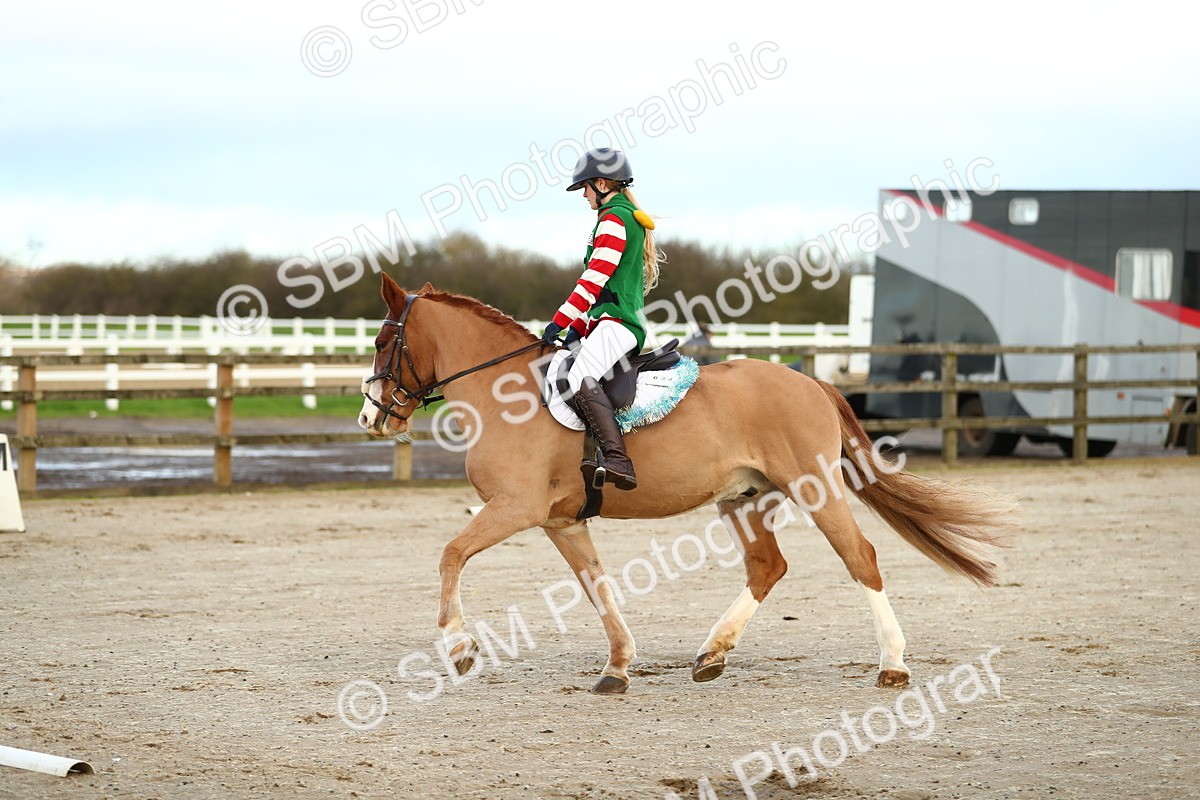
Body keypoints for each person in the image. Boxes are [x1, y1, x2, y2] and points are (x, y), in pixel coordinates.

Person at [541, 148, 665, 490]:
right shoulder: (621, 216)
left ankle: (618, 460)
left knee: (580, 378)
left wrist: (560, 320)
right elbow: (603, 292)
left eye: (584, 188)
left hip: (619, 325)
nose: (583, 195)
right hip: (608, 322)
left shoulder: (613, 219)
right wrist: (577, 328)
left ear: (601, 183)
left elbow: (594, 279)